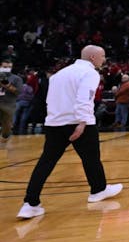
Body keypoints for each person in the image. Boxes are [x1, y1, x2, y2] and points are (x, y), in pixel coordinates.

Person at [17, 45, 123, 219]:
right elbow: (85, 99)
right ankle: (98, 190)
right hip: (79, 122)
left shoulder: (59, 74)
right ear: (92, 58)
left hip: (54, 123)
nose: (104, 60)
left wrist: (52, 119)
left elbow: (50, 100)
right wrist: (82, 122)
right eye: (103, 56)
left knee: (46, 162)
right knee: (91, 159)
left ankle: (30, 203)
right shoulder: (90, 73)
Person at [0, 58, 24, 148]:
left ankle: (4, 140)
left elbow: (18, 92)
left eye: (9, 67)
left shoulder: (16, 78)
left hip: (8, 104)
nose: (6, 69)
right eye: (4, 67)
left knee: (6, 128)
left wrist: (7, 85)